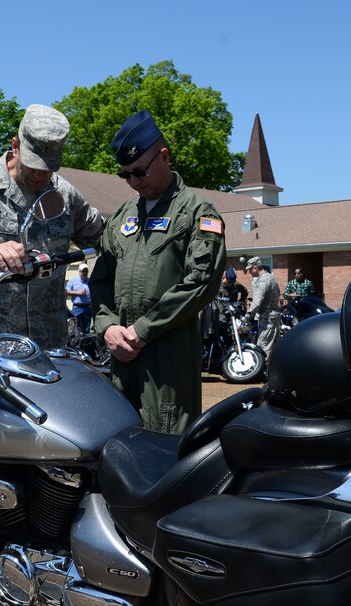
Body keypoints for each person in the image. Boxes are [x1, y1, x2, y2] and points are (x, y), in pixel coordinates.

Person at [89, 110, 226, 434]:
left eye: (139, 172)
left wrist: (143, 330)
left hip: (168, 356)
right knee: (117, 440)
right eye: (126, 175)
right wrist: (108, 326)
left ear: (163, 156)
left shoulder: (197, 211)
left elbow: (201, 281)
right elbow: (101, 279)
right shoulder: (123, 215)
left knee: (165, 444)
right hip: (121, 355)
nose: (134, 182)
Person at [0, 104, 104, 349]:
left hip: (48, 345)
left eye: (48, 168)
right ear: (15, 146)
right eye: (33, 164)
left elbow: (101, 235)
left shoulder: (65, 195)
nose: (41, 175)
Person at [245, 257, 282, 357]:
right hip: (274, 314)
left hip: (267, 315)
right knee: (274, 344)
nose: (249, 272)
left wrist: (247, 317)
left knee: (262, 345)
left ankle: (263, 370)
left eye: (249, 269)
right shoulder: (271, 277)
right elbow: (278, 293)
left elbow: (256, 302)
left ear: (256, 268)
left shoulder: (263, 280)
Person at [66, 263, 93, 335]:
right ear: (79, 271)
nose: (84, 273)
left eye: (86, 271)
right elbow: (66, 291)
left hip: (87, 307)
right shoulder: (73, 281)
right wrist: (78, 292)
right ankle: (75, 343)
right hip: (77, 307)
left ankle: (86, 343)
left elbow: (94, 293)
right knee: (74, 327)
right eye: (83, 271)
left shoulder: (90, 281)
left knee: (86, 328)